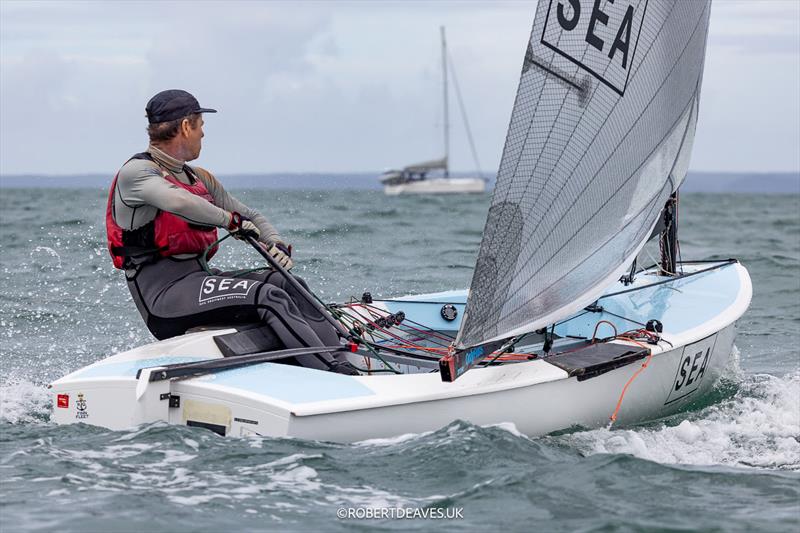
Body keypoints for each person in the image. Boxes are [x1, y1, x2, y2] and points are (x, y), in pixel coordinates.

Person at [106, 89, 355, 374]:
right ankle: (333, 374)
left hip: (197, 279)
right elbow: (179, 201)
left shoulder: (198, 177)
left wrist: (275, 243)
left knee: (286, 282)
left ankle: (343, 360)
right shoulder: (137, 173)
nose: (203, 134)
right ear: (186, 126)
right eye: (200, 126)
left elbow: (251, 216)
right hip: (164, 298)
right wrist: (230, 222)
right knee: (268, 297)